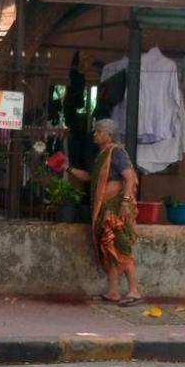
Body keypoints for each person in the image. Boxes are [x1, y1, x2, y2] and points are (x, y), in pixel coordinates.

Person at [70, 118, 143, 306]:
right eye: (95, 131)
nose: (95, 134)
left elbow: (129, 178)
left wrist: (126, 202)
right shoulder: (102, 155)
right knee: (108, 248)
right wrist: (67, 168)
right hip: (104, 207)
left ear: (109, 135)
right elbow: (89, 177)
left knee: (120, 246)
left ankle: (134, 290)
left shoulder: (116, 152)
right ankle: (113, 292)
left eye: (99, 131)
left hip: (116, 207)